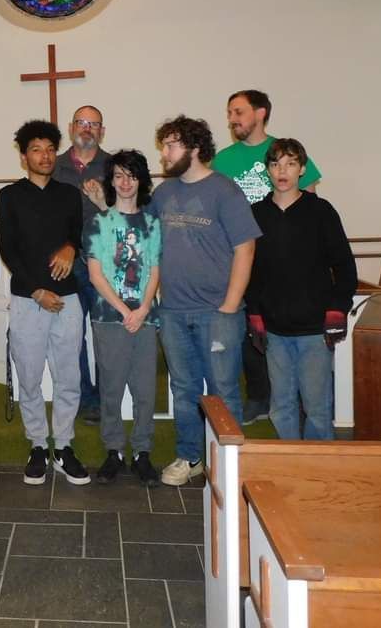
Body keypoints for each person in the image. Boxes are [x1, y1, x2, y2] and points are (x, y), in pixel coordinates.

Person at [147, 116, 260, 486]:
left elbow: (245, 247)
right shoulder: (162, 194)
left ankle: (228, 464)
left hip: (218, 312)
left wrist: (230, 304)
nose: (164, 154)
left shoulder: (224, 191)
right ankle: (190, 456)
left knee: (224, 388)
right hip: (174, 312)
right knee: (184, 390)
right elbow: (149, 246)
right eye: (163, 146)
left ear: (195, 148)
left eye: (171, 145)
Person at [212, 89, 322, 425]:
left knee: (288, 335)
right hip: (240, 260)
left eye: (238, 112)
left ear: (260, 113)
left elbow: (310, 207)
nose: (232, 119)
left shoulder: (282, 151)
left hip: (286, 262)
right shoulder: (222, 161)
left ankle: (296, 400)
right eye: (230, 113)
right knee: (248, 330)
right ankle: (259, 396)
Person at [0, 120, 90, 486]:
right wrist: (37, 289)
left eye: (51, 149)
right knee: (31, 377)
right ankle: (38, 445)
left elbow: (77, 236)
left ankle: (64, 447)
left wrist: (70, 247)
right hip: (27, 300)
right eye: (37, 149)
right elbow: (9, 249)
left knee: (69, 377)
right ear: (24, 157)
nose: (45, 155)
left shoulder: (68, 194)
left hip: (67, 300)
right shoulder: (10, 196)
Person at [245, 138, 356, 440]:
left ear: (302, 169)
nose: (282, 170)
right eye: (275, 163)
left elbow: (345, 267)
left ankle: (318, 472)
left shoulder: (321, 211)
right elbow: (249, 271)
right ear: (267, 170)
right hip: (274, 330)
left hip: (314, 329)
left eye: (290, 163)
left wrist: (337, 309)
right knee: (281, 406)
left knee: (317, 406)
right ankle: (288, 468)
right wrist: (254, 312)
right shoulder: (256, 214)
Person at [83, 150, 162, 485]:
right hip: (108, 317)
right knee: (112, 388)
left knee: (145, 389)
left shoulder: (152, 223)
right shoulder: (98, 223)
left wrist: (142, 309)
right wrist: (124, 310)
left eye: (131, 175)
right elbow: (95, 274)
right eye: (118, 176)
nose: (125, 182)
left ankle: (142, 452)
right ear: (110, 181)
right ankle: (114, 450)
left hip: (145, 317)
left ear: (141, 180)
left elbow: (156, 268)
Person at [53, 105, 110, 425]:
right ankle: (84, 398)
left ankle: (106, 397)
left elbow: (131, 212)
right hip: (68, 263)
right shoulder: (55, 166)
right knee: (72, 336)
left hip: (106, 264)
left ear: (102, 131)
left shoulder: (115, 166)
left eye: (94, 124)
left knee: (103, 333)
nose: (87, 128)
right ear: (71, 126)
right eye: (81, 122)